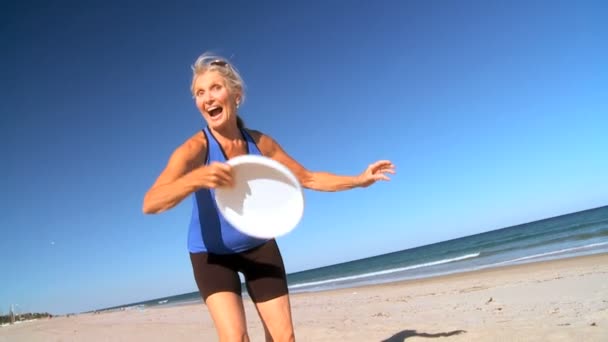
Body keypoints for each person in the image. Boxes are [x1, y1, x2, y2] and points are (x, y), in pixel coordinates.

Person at [142, 52, 396, 342]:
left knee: (284, 337)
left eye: (216, 88)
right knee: (235, 337)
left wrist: (359, 180)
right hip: (212, 255)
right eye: (200, 93)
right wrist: (195, 179)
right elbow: (151, 202)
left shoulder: (260, 142)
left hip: (259, 245)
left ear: (235, 96)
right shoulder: (194, 148)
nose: (208, 98)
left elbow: (308, 178)